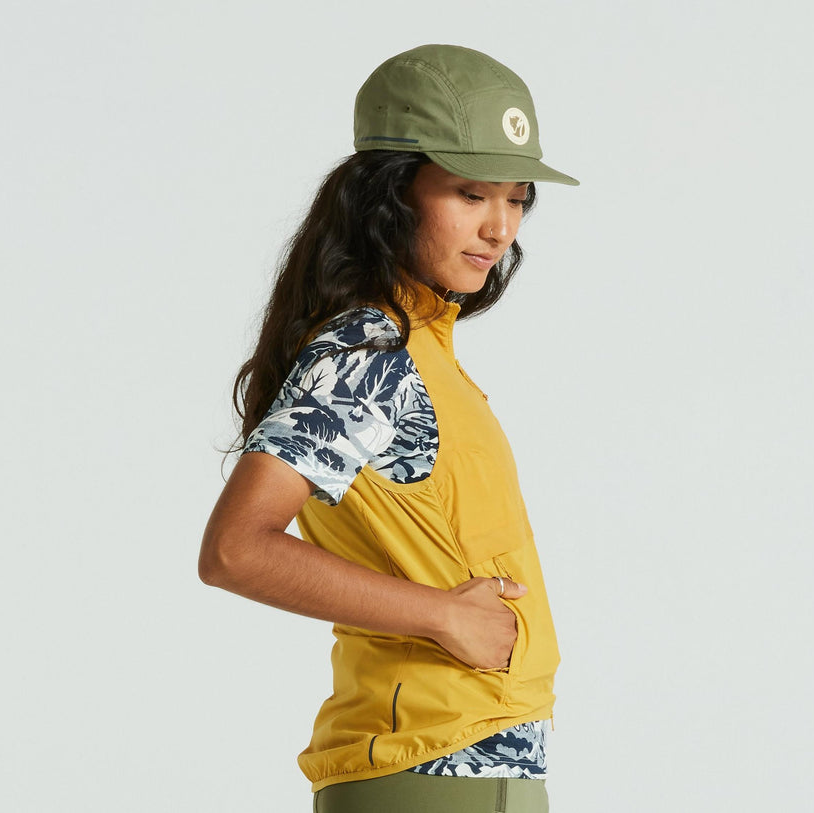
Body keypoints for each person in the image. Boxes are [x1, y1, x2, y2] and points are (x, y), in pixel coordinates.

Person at [199, 44, 578, 812]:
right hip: (431, 764)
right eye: (469, 193)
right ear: (390, 195)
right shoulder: (368, 351)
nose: (498, 226)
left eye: (515, 198)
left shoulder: (420, 347)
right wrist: (441, 615)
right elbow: (236, 548)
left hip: (469, 761)